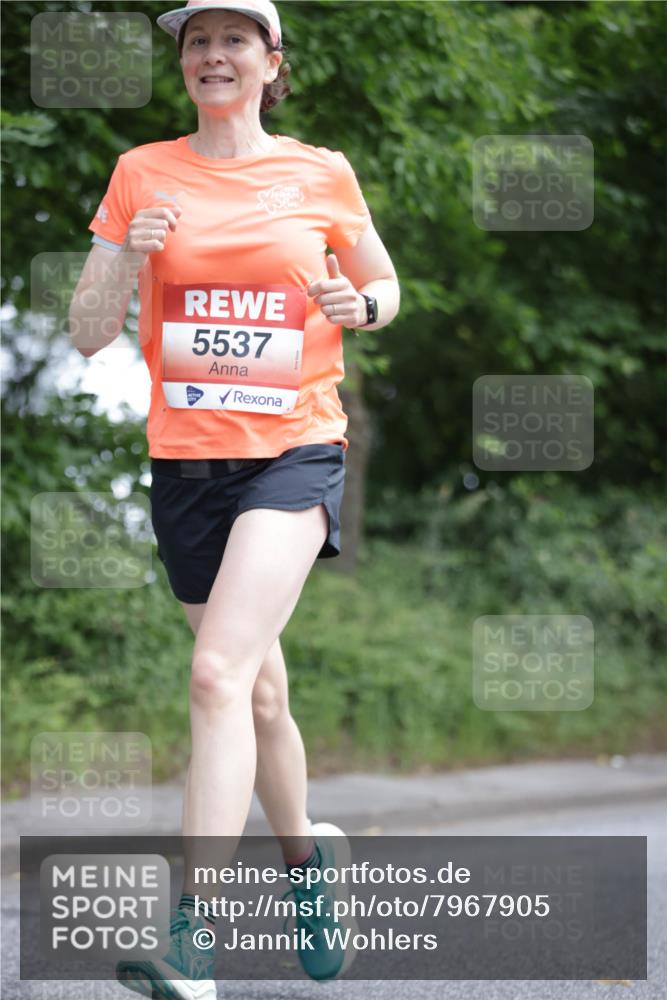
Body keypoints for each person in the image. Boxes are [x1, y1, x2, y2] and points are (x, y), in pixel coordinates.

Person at [69, 1, 400, 996]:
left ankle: (194, 938)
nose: (213, 55)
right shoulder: (141, 171)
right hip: (186, 465)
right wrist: (129, 253)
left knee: (215, 675)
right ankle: (309, 863)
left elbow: (384, 287)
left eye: (233, 40)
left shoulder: (319, 171)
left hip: (292, 449)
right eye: (197, 41)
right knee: (256, 692)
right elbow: (87, 330)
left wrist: (358, 304)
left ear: (270, 60)